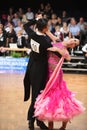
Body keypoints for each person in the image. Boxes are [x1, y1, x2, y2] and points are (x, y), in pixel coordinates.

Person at [34, 38, 86, 130]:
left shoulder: (64, 50)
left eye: (75, 43)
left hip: (56, 75)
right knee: (49, 100)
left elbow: (68, 58)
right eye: (74, 40)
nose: (73, 42)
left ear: (73, 46)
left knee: (60, 98)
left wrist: (58, 50)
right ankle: (50, 126)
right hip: (48, 73)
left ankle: (63, 126)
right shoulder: (57, 42)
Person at [23, 17, 56, 130]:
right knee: (38, 97)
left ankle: (38, 120)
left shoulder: (32, 34)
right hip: (40, 71)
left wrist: (35, 21)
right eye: (47, 26)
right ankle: (32, 121)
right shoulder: (45, 42)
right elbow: (55, 49)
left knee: (38, 96)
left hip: (32, 67)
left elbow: (25, 26)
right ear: (44, 29)